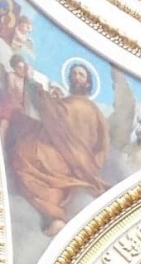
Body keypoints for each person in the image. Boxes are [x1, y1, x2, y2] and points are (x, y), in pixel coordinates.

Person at [7, 61, 110, 236]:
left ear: (88, 83)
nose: (76, 77)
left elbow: (53, 116)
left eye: (81, 75)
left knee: (24, 153)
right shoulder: (74, 105)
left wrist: (35, 86)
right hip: (78, 163)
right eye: (74, 73)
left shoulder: (84, 107)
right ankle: (54, 218)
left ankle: (54, 218)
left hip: (65, 158)